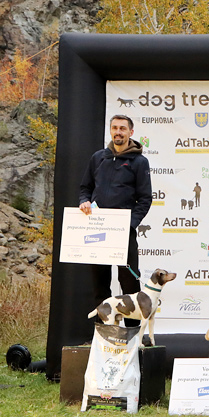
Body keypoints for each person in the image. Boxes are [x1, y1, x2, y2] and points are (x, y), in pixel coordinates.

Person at [78, 114, 152, 316]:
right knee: (99, 284)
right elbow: (85, 188)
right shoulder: (98, 158)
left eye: (122, 128)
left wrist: (130, 225)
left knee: (129, 284)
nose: (118, 132)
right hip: (98, 229)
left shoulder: (139, 162)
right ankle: (104, 329)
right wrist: (84, 201)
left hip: (123, 232)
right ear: (110, 130)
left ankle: (133, 330)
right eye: (115, 128)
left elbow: (145, 199)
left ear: (131, 132)